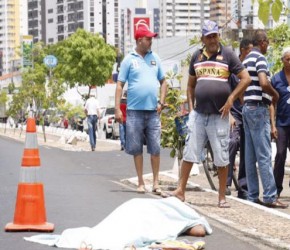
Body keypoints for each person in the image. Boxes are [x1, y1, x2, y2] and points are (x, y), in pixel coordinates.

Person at [163, 20, 251, 208]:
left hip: (219, 116)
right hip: (199, 115)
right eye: (208, 36)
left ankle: (221, 197)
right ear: (202, 38)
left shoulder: (227, 54)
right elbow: (190, 85)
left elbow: (246, 78)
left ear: (218, 35)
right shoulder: (197, 56)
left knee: (221, 156)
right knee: (189, 152)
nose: (212, 39)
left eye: (215, 35)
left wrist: (231, 99)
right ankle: (180, 191)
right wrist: (191, 108)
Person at [115, 24, 167, 194]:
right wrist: (117, 109)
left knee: (155, 148)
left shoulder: (155, 58)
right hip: (134, 112)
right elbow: (120, 85)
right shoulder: (128, 59)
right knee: (136, 148)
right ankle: (140, 182)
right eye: (148, 38)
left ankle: (156, 183)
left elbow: (163, 81)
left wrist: (161, 102)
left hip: (153, 111)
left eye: (151, 38)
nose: (151, 41)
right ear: (139, 40)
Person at [242, 30, 288, 208]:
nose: (268, 45)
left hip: (247, 107)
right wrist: (275, 94)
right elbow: (263, 82)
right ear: (262, 42)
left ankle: (253, 195)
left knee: (250, 154)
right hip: (258, 108)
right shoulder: (259, 58)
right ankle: (269, 195)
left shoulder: (246, 59)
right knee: (264, 154)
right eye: (267, 42)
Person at [226, 38, 253, 199]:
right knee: (233, 142)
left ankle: (243, 186)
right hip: (234, 113)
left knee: (247, 148)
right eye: (249, 50)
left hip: (248, 113)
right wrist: (229, 114)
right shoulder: (232, 70)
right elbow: (224, 94)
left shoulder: (252, 68)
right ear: (243, 50)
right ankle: (227, 182)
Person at [270, 47, 290, 198]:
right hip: (282, 123)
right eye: (288, 59)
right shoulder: (276, 79)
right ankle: (276, 188)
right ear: (283, 60)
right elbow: (271, 104)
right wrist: (272, 124)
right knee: (281, 154)